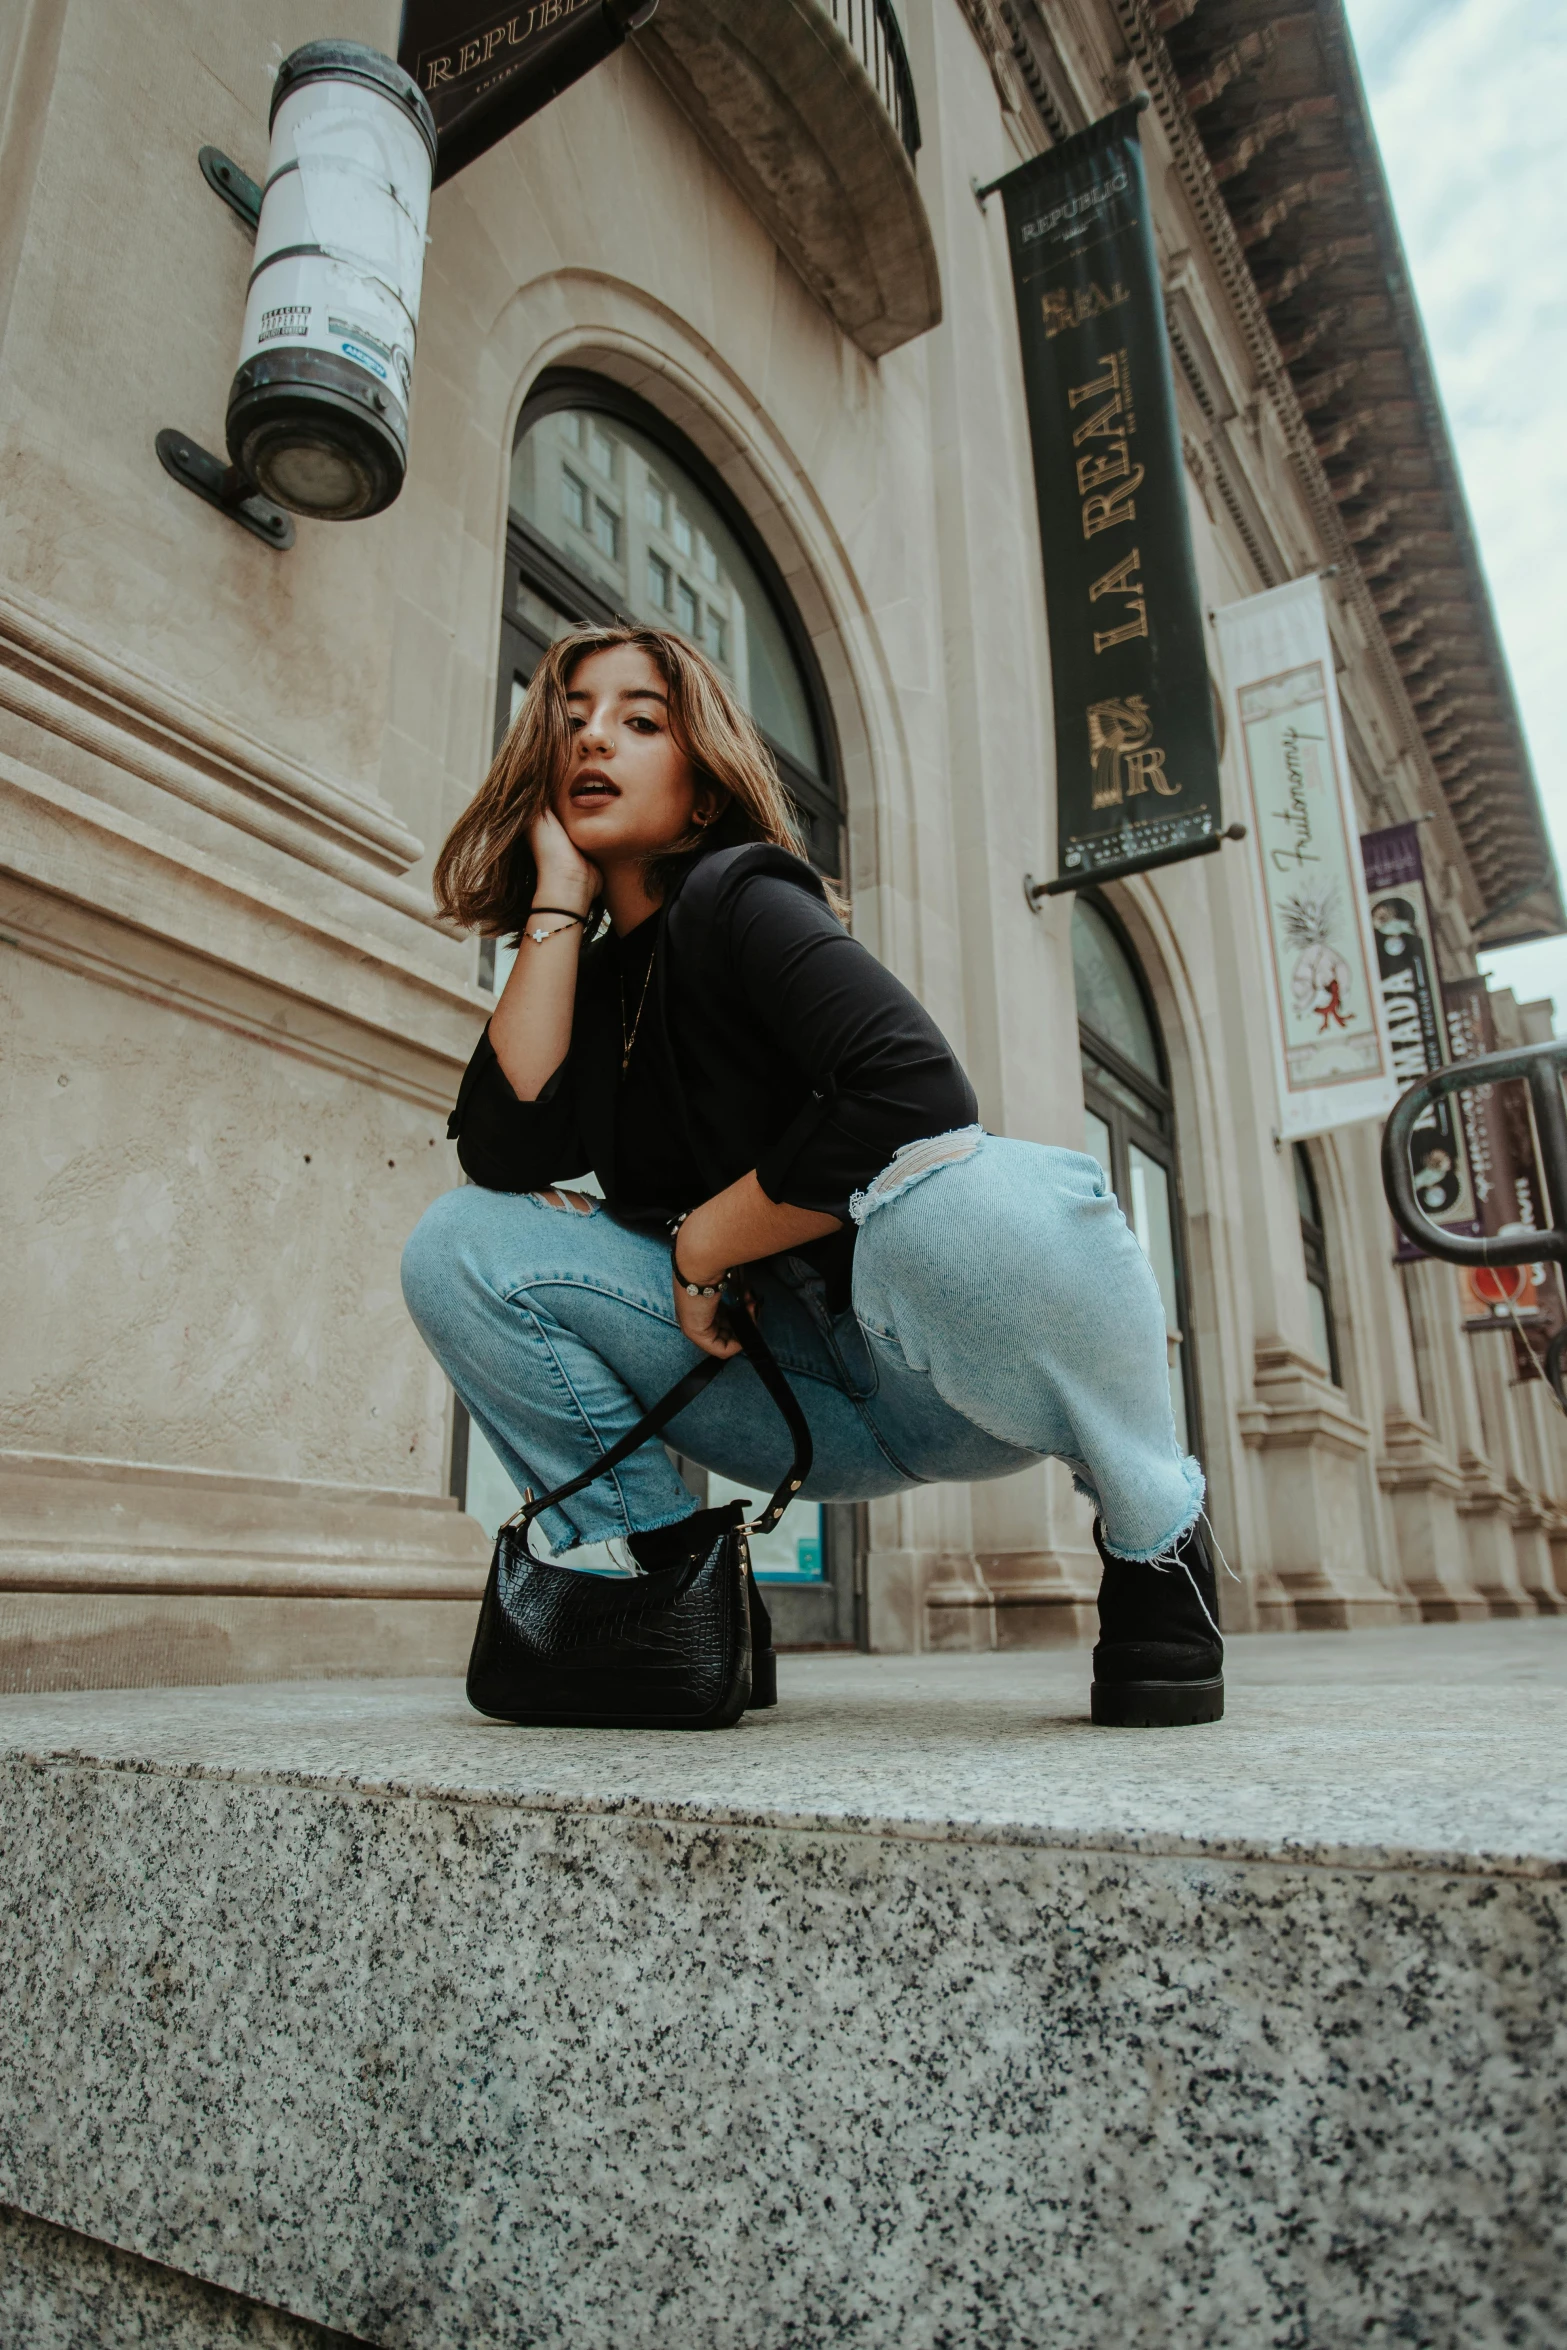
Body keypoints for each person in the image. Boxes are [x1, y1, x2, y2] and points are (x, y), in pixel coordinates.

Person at [401, 624, 1222, 1727]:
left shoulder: (742, 894)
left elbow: (915, 1093)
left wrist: (702, 1245)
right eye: (572, 716)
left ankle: (1154, 1538)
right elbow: (499, 1151)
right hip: (786, 1401)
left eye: (639, 720)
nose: (593, 736)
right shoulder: (600, 989)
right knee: (461, 1245)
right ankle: (667, 1591)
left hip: (941, 1366)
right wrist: (557, 900)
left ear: (699, 796)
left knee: (957, 1191)